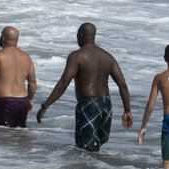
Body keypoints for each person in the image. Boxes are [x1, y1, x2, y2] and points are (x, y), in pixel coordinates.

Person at [36, 21, 133, 152]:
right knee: (96, 144)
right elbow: (122, 84)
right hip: (106, 105)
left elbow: (64, 83)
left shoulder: (77, 56)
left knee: (86, 148)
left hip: (89, 104)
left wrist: (46, 105)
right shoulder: (108, 57)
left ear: (80, 35)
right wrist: (127, 110)